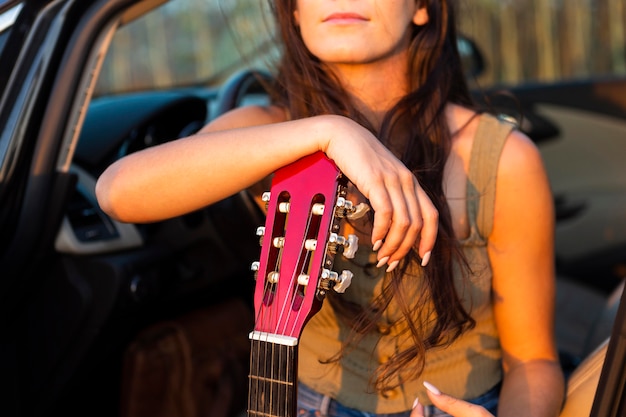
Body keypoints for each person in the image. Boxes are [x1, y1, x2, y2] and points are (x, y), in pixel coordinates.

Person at [95, 0, 565, 415]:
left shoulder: (502, 158)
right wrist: (327, 131)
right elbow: (118, 192)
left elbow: (535, 360)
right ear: (295, 12)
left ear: (421, 6)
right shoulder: (270, 131)